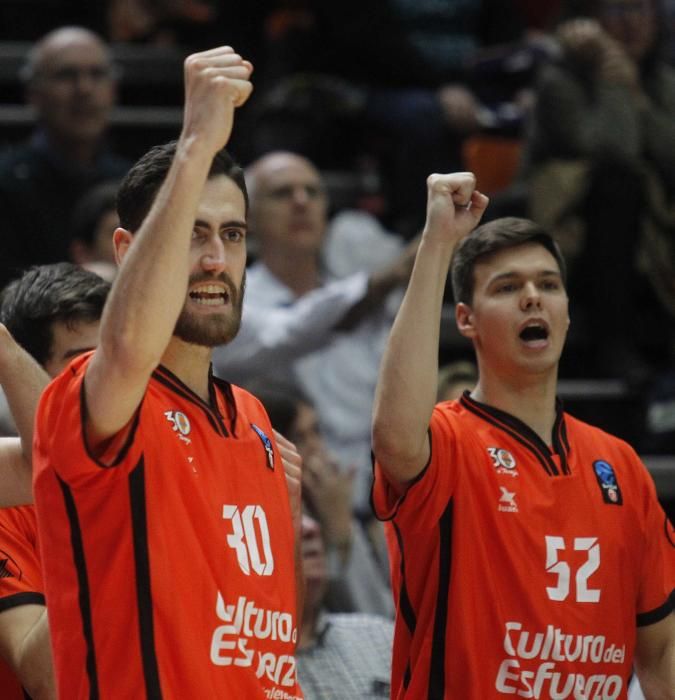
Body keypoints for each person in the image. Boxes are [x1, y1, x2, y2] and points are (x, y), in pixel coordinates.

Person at [32, 46, 303, 699]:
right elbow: (126, 347)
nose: (215, 259)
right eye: (193, 232)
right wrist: (194, 143)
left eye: (233, 236)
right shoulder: (95, 389)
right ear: (125, 252)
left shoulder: (256, 422)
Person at [371, 173, 675, 698]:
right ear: (465, 320)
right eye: (508, 287)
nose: (533, 298)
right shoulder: (447, 439)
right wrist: (438, 242)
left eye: (548, 285)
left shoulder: (620, 464)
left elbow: (662, 650)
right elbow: (395, 438)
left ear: (567, 312)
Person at [214, 150, 416, 513]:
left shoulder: (365, 301)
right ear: (248, 217)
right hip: (285, 506)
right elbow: (292, 331)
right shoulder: (230, 301)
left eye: (312, 191)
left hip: (382, 505)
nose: (301, 202)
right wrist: (402, 267)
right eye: (282, 193)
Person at [520, 0, 675, 382]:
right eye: (619, 11)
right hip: (579, 237)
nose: (632, 23)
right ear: (592, 21)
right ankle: (613, 344)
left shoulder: (665, 83)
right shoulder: (560, 82)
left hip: (653, 239)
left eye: (642, 10)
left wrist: (637, 92)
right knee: (618, 185)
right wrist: (614, 82)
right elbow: (615, 149)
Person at [0, 263, 110, 700]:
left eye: (117, 360)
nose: (112, 382)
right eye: (84, 364)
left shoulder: (177, 462)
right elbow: (47, 682)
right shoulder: (10, 506)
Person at [0, 26, 129, 289]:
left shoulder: (130, 181)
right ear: (33, 93)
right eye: (66, 75)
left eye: (97, 74)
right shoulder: (6, 184)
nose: (84, 89)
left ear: (113, 90)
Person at [257, 384, 393, 617]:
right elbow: (364, 611)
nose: (317, 448)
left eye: (316, 431)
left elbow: (384, 614)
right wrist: (339, 528)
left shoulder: (326, 500)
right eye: (300, 437)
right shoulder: (267, 520)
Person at [296, 512, 394, 699]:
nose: (310, 528)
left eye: (309, 514)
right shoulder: (242, 669)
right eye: (288, 513)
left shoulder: (382, 637)